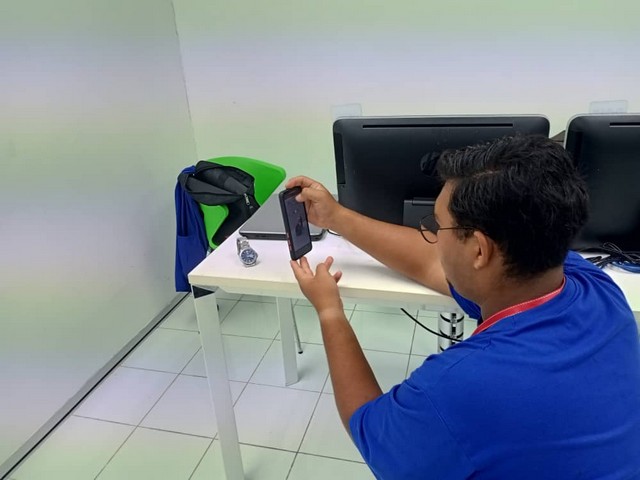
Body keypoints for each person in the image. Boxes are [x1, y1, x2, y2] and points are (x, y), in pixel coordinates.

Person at [286, 135, 640, 479]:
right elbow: (431, 264)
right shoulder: (593, 285)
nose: (434, 239)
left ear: (479, 251)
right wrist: (336, 217)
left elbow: (368, 427)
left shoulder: (458, 387)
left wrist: (329, 311)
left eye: (439, 226)